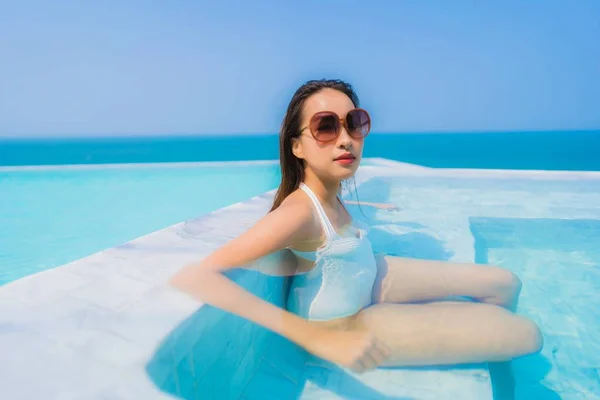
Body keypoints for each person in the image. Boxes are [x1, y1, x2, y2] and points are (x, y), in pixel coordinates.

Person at [169, 79, 542, 390]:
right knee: (526, 335)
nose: (345, 138)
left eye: (355, 122)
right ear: (297, 146)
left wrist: (375, 209)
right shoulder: (299, 212)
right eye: (326, 127)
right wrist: (309, 335)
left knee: (504, 283)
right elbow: (196, 276)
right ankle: (497, 360)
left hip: (366, 277)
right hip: (345, 320)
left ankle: (488, 344)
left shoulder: (330, 192)